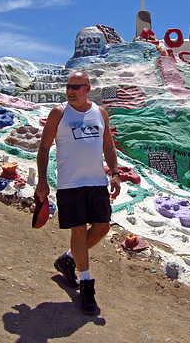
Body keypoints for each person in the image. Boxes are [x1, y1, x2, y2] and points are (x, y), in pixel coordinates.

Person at [36, 71, 121, 315]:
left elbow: (108, 145)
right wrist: (42, 181)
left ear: (87, 88)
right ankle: (86, 286)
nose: (70, 91)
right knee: (78, 230)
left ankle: (68, 259)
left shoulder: (100, 113)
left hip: (96, 181)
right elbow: (43, 148)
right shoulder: (59, 113)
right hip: (70, 184)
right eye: (68, 86)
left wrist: (114, 172)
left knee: (103, 227)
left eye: (76, 87)